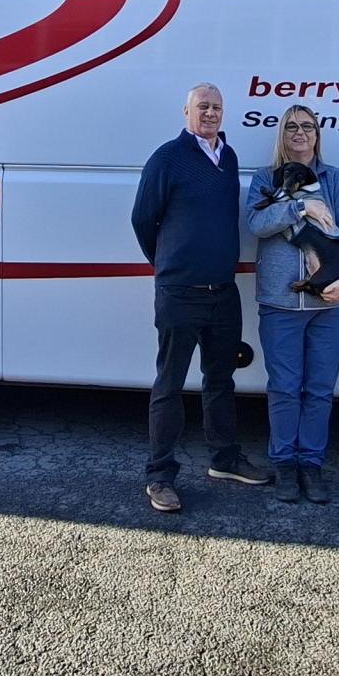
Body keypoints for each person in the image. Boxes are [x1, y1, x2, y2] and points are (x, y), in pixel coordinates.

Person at [129, 83, 276, 513]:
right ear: (186, 112)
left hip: (223, 294)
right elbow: (142, 219)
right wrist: (169, 263)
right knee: (170, 384)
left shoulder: (227, 158)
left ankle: (224, 460)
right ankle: (159, 476)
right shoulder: (167, 158)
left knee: (220, 381)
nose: (210, 114)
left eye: (216, 107)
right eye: (202, 107)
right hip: (179, 292)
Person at [246, 104, 339, 502]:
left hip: (330, 304)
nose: (300, 133)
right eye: (292, 126)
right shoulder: (266, 179)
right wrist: (300, 206)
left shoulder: (335, 179)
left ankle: (311, 465)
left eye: (308, 127)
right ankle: (284, 464)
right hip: (281, 302)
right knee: (284, 386)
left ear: (318, 134)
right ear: (282, 133)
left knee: (319, 388)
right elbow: (256, 224)